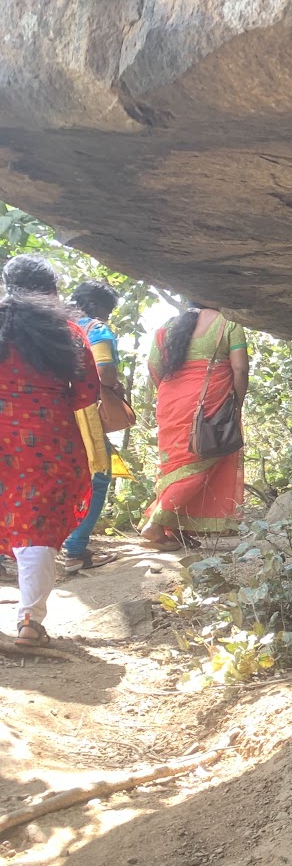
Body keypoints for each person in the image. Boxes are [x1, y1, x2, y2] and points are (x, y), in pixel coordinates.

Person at [0, 255, 100, 647]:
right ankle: (30, 622)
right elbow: (88, 393)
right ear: (51, 290)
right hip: (50, 440)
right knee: (36, 527)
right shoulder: (68, 332)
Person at [141, 301, 248, 548]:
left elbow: (153, 367)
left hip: (170, 402)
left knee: (175, 464)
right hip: (208, 401)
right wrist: (236, 404)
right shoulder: (228, 323)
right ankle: (155, 526)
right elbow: (240, 369)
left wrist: (173, 394)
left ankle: (177, 527)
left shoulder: (167, 326)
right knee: (201, 462)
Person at [61, 279, 122, 572]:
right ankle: (75, 550)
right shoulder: (95, 328)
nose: (106, 317)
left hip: (46, 413)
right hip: (83, 413)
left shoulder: (51, 325)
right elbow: (105, 372)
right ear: (97, 306)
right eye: (107, 310)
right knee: (98, 476)